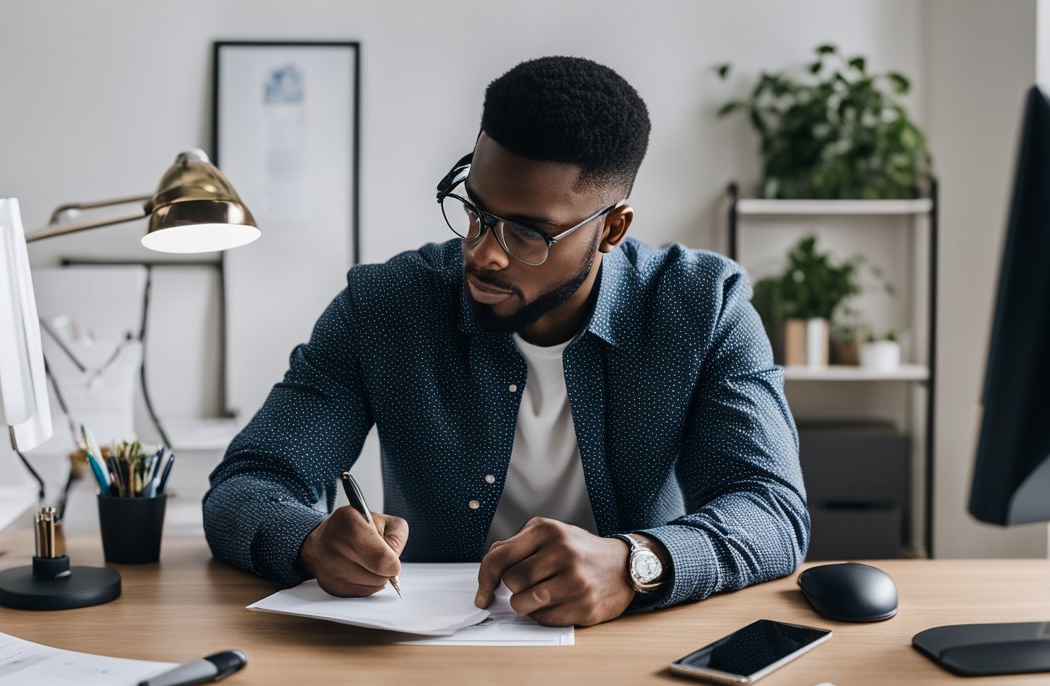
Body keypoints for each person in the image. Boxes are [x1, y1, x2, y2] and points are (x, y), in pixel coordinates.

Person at [204, 56, 809, 627]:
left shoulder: (702, 307)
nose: (484, 252)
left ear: (612, 229)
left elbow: (770, 509)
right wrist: (308, 541)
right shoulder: (386, 306)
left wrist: (636, 563)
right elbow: (247, 484)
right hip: (425, 648)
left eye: (528, 233)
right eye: (476, 210)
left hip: (631, 645)